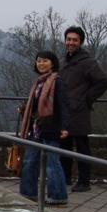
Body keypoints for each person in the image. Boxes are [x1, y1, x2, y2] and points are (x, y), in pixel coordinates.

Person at [59, 25, 107, 192]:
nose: (71, 42)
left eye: (75, 40)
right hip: (64, 110)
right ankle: (65, 177)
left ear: (80, 42)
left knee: (82, 147)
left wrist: (87, 98)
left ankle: (84, 181)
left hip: (79, 111)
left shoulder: (88, 62)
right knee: (64, 146)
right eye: (68, 39)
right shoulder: (63, 61)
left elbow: (103, 81)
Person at [19, 51, 70, 204]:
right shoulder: (39, 82)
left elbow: (64, 105)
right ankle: (28, 193)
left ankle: (58, 196)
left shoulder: (57, 82)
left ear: (52, 63)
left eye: (45, 61)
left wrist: (65, 127)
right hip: (36, 128)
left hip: (51, 127)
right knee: (30, 161)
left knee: (52, 164)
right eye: (39, 61)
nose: (41, 64)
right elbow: (36, 105)